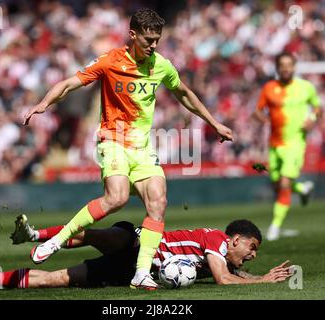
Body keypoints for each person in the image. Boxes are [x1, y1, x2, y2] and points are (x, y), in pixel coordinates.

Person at [22, 8, 233, 289]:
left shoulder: (161, 65)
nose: (154, 45)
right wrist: (44, 103)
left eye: (157, 39)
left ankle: (141, 273)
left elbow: (184, 93)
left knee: (158, 202)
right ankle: (58, 240)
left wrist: (214, 122)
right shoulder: (110, 61)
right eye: (148, 39)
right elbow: (71, 83)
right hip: (113, 140)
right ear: (133, 35)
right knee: (117, 198)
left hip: (142, 147)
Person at [0, 214, 292, 290]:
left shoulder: (222, 254)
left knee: (56, 279)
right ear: (234, 239)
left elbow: (235, 274)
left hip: (132, 270)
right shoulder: (216, 240)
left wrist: (259, 275)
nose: (252, 255)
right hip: (139, 245)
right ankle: (38, 235)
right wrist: (263, 281)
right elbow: (224, 280)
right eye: (252, 247)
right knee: (98, 235)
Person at [253, 52, 321, 241]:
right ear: (277, 67)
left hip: (295, 143)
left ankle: (275, 226)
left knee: (283, 184)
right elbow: (257, 111)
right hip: (275, 143)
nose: (285, 68)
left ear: (294, 67)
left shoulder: (305, 87)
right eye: (282, 65)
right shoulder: (269, 88)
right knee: (277, 185)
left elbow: (317, 107)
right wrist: (263, 118)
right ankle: (302, 188)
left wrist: (312, 118)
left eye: (289, 64)